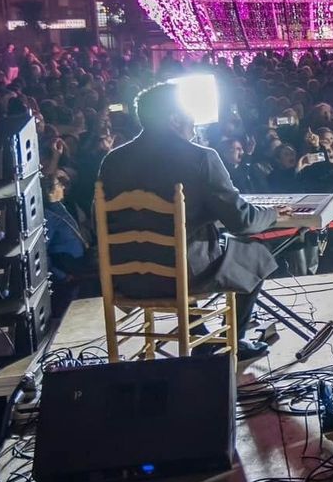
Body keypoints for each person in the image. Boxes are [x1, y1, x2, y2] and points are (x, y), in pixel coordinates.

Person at [96, 81, 280, 361]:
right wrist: (275, 212)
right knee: (255, 253)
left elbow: (101, 221)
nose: (194, 119)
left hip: (127, 279)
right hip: (181, 277)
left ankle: (202, 337)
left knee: (196, 249)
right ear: (173, 118)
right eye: (189, 112)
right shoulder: (200, 157)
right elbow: (241, 221)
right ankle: (235, 342)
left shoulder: (113, 161)